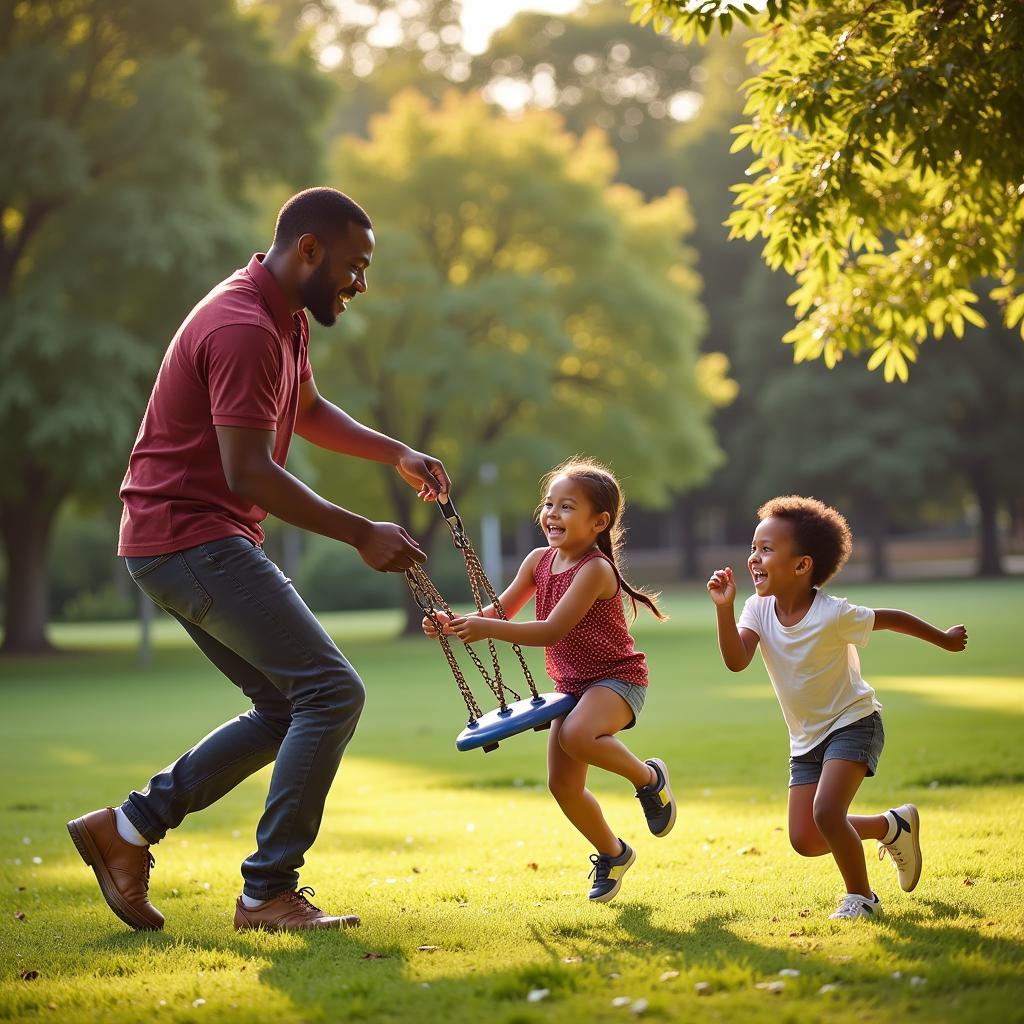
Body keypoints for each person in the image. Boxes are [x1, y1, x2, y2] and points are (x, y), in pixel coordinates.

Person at [67, 187, 451, 933]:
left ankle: (126, 830)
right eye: (354, 266)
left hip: (182, 540)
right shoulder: (243, 326)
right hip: (192, 537)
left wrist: (394, 450)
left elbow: (304, 411)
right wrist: (360, 532)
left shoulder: (283, 318)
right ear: (308, 250)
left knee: (287, 706)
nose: (360, 284)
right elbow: (249, 473)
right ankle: (267, 892)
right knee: (331, 692)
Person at [425, 458, 675, 903]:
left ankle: (649, 778)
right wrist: (456, 622)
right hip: (571, 687)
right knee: (563, 786)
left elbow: (550, 631)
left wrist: (486, 630)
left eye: (566, 507)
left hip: (616, 679)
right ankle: (613, 853)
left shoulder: (595, 570)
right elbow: (501, 613)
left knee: (580, 735)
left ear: (599, 522)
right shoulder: (538, 561)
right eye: (548, 504)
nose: (551, 514)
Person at [707, 495, 968, 920]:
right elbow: (737, 660)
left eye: (767, 549)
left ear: (802, 565)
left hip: (853, 722)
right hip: (805, 738)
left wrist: (943, 638)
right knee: (807, 838)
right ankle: (891, 827)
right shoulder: (756, 608)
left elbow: (892, 618)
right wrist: (724, 610)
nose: (754, 558)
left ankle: (862, 898)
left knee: (827, 813)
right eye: (753, 547)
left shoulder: (832, 614)